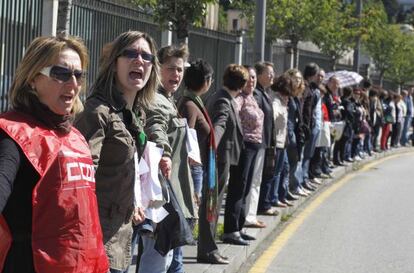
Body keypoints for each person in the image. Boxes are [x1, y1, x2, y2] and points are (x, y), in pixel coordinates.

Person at [0, 35, 108, 273]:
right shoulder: (12, 135)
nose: (73, 83)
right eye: (60, 73)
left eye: (78, 75)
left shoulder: (76, 137)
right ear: (32, 80)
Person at [75, 31, 158, 273]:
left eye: (146, 56)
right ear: (113, 65)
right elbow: (83, 180)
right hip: (98, 237)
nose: (139, 60)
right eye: (130, 53)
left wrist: (136, 200)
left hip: (124, 231)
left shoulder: (136, 114)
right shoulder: (97, 112)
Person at [144, 44, 196, 273]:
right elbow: (156, 129)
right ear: (157, 68)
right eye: (171, 69)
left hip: (171, 188)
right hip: (161, 193)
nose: (176, 74)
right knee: (157, 255)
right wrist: (164, 152)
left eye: (180, 70)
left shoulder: (167, 98)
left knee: (165, 255)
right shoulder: (156, 100)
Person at [177, 59, 228, 264]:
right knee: (195, 216)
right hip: (196, 170)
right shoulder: (190, 105)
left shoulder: (193, 101)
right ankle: (206, 251)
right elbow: (186, 140)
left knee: (205, 212)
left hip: (203, 167)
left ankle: (208, 249)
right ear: (206, 81)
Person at [222, 65, 264, 244]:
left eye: (254, 78)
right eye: (249, 78)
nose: (252, 81)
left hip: (254, 146)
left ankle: (239, 227)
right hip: (244, 146)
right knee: (238, 187)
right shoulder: (239, 99)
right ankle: (231, 230)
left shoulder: (252, 98)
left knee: (246, 188)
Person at [207, 64, 246, 246]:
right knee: (213, 202)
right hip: (220, 157)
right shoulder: (224, 100)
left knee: (215, 201)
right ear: (241, 84)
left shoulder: (225, 97)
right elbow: (219, 125)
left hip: (222, 157)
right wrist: (214, 144)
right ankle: (209, 247)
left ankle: (210, 244)